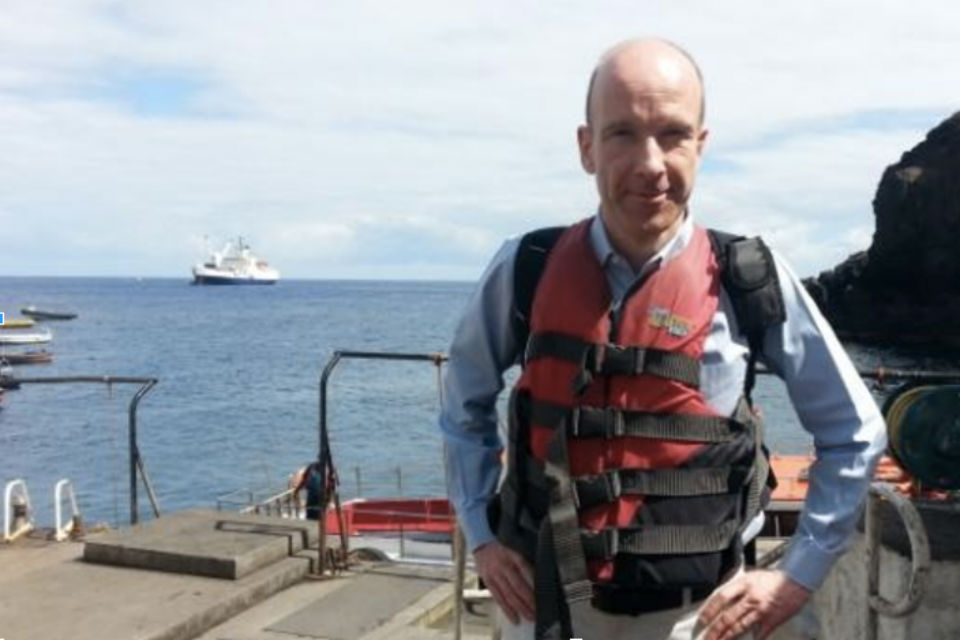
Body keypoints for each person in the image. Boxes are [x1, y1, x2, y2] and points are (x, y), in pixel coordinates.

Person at [439, 37, 886, 640]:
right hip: (541, 612)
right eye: (622, 133)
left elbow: (855, 432)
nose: (650, 163)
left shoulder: (747, 277)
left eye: (673, 134)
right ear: (586, 147)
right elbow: (461, 402)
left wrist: (797, 575)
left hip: (696, 619)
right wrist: (484, 538)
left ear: (701, 146)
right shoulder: (528, 267)